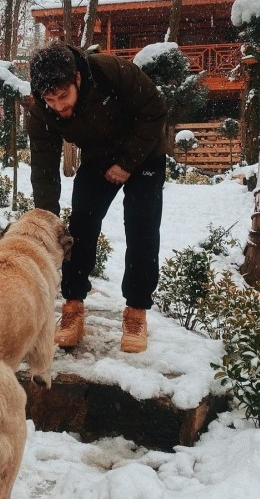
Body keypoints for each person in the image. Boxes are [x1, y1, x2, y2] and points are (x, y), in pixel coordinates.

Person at [27, 43, 168, 353]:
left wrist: (129, 162)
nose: (59, 107)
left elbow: (155, 110)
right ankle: (73, 308)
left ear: (77, 78)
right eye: (50, 100)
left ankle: (136, 312)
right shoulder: (41, 113)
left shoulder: (111, 71)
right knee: (81, 228)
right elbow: (44, 168)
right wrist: (47, 218)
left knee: (142, 227)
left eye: (63, 97)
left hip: (145, 153)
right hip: (98, 157)